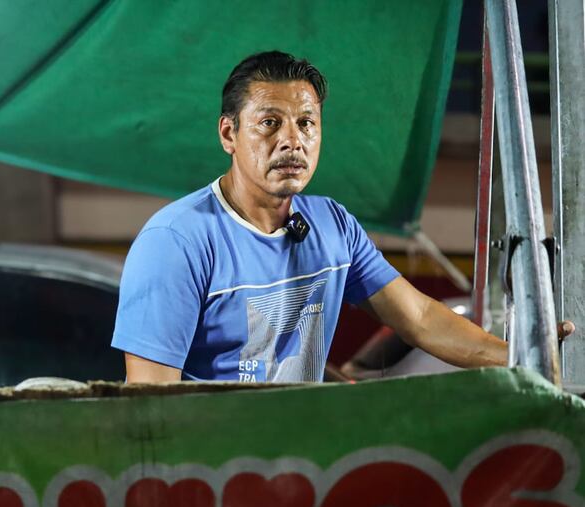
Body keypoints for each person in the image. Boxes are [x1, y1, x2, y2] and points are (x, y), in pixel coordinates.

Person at [111, 51, 572, 383]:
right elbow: (152, 405)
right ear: (229, 133)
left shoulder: (332, 226)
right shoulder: (176, 242)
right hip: (219, 481)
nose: (293, 141)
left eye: (306, 123)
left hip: (304, 474)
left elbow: (422, 320)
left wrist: (524, 357)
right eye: (270, 123)